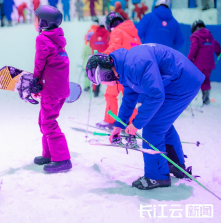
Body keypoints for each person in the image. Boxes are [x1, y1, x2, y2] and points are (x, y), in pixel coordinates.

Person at [86, 44, 204, 190]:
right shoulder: (124, 68)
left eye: (102, 81)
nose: (104, 84)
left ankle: (157, 177)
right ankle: (175, 165)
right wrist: (119, 125)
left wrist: (136, 125)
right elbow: (129, 98)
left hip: (182, 83)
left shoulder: (135, 64)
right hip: (174, 82)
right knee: (161, 123)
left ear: (105, 73)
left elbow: (156, 95)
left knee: (154, 127)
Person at [26, 5, 72, 173]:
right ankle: (49, 154)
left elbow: (40, 63)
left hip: (51, 89)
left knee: (48, 122)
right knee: (44, 120)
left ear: (43, 22)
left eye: (35, 19)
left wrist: (35, 80)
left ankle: (63, 159)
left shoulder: (43, 39)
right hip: (59, 88)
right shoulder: (57, 38)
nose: (33, 21)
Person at [95, 12, 140, 134]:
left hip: (120, 69)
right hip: (134, 71)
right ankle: (132, 123)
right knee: (130, 98)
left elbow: (114, 47)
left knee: (111, 94)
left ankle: (110, 120)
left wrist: (100, 57)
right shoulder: (134, 34)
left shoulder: (117, 31)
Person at [188, 19, 221, 105]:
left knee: (193, 80)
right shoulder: (209, 36)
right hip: (209, 64)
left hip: (198, 64)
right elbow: (216, 45)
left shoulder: (195, 36)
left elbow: (193, 49)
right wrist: (219, 53)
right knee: (205, 80)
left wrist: (188, 60)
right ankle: (206, 99)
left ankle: (186, 100)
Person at [88, 17, 110, 97]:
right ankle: (109, 92)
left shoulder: (93, 34)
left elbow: (90, 45)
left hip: (95, 57)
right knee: (108, 75)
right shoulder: (108, 34)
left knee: (96, 74)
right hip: (105, 57)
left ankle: (95, 91)